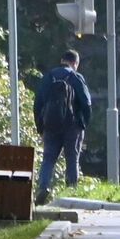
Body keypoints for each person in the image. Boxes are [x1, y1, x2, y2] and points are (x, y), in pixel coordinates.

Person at [33, 50, 92, 205]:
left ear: (62, 60)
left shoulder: (48, 77)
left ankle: (43, 187)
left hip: (50, 126)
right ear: (75, 63)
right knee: (72, 158)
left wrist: (41, 127)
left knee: (48, 159)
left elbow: (38, 104)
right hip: (72, 126)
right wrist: (83, 124)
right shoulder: (76, 77)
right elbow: (86, 103)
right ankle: (71, 191)